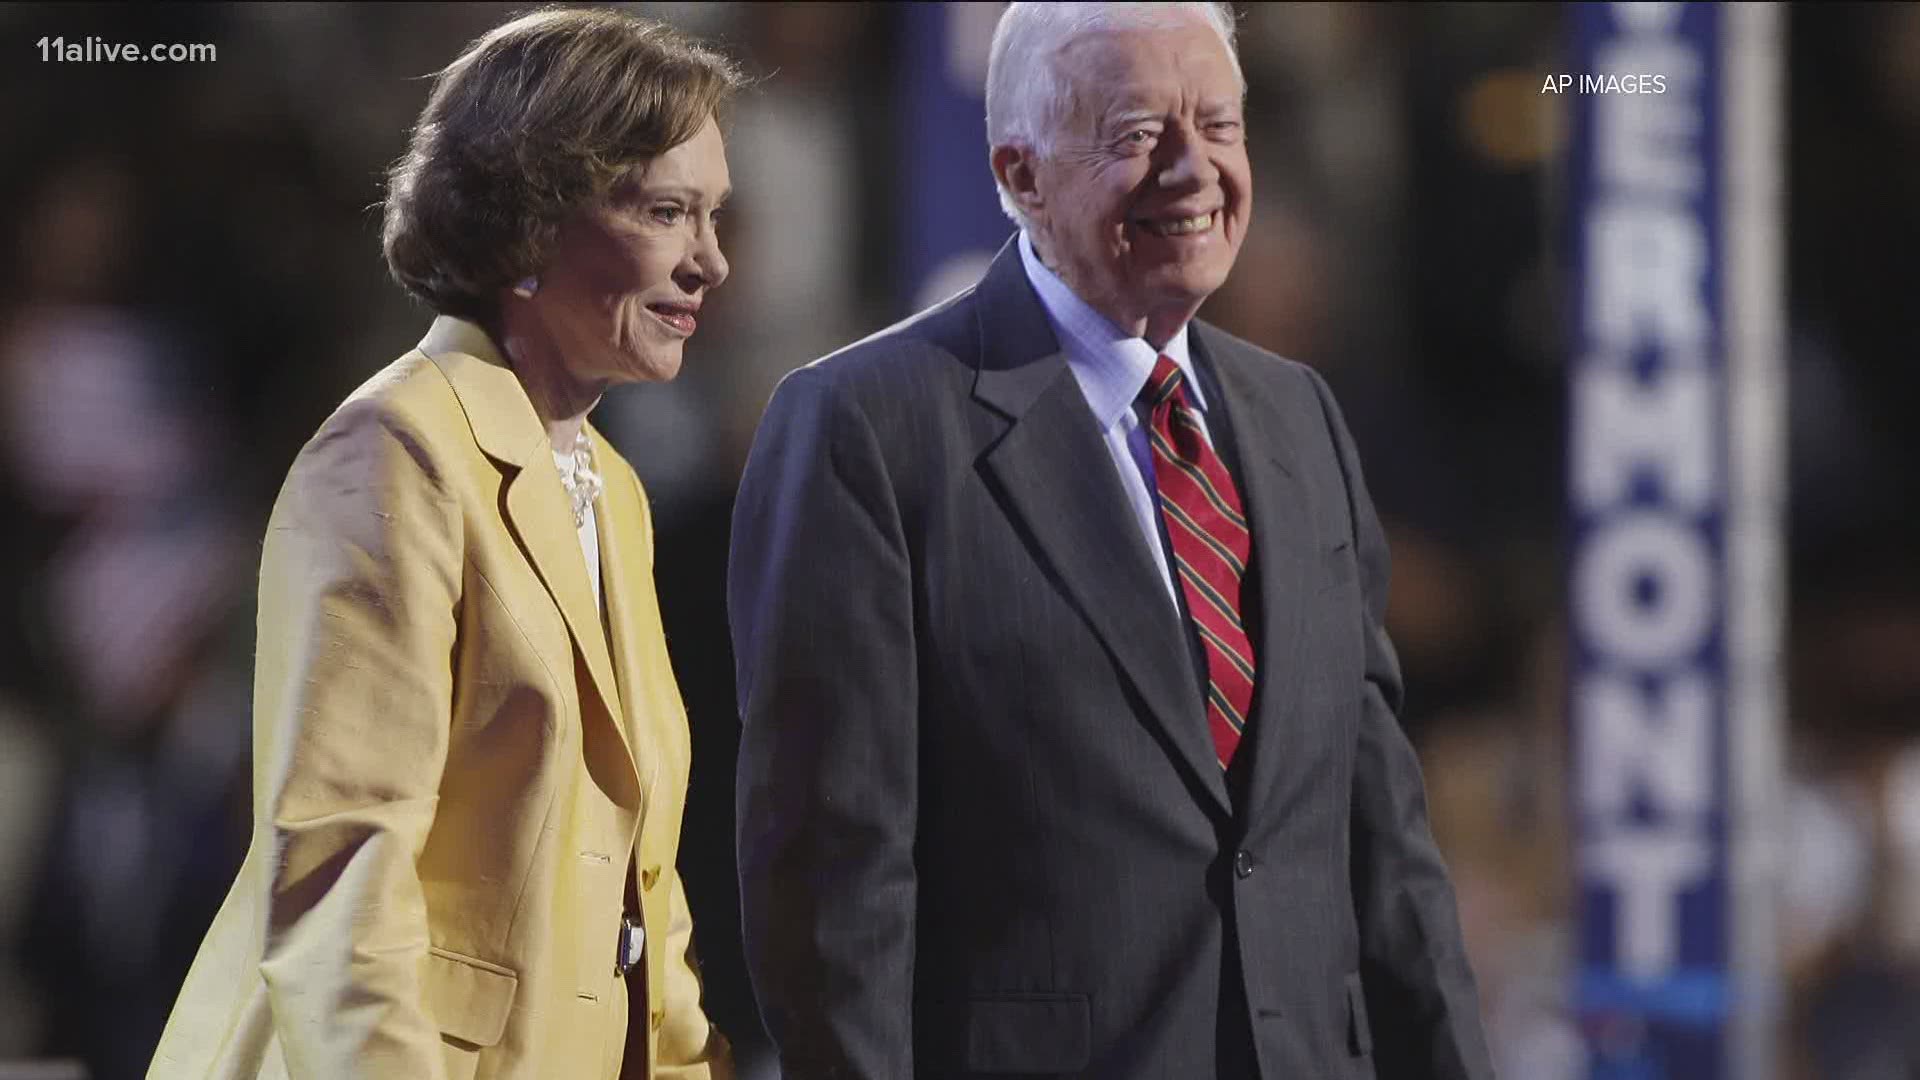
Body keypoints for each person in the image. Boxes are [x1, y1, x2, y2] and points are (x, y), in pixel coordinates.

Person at [728, 3, 1495, 1078]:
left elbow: (1383, 845)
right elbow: (831, 894)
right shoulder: (869, 428)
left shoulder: (1300, 420)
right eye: (1137, 134)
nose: (1194, 170)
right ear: (1019, 175)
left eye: (1219, 127)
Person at [147, 9, 740, 1079]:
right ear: (532, 221)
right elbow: (341, 875)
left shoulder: (615, 490)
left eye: (713, 216)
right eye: (667, 212)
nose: (712, 262)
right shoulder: (393, 454)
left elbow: (643, 890)